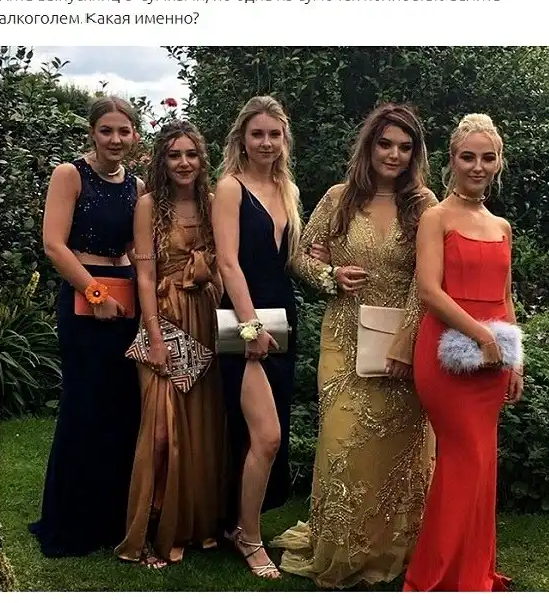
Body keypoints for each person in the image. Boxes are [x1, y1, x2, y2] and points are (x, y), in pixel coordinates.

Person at [270, 103, 437, 588]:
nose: (394, 154)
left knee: (401, 452)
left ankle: (394, 550)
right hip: (344, 337)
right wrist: (331, 275)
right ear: (369, 145)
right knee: (342, 443)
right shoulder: (339, 198)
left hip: (405, 339)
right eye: (385, 144)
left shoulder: (424, 204)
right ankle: (342, 548)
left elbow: (428, 278)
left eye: (405, 147)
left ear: (415, 154)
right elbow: (299, 257)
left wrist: (406, 340)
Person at [403, 113, 523, 592]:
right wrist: (482, 336)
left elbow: (505, 297)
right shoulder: (436, 217)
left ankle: (471, 571)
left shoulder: (502, 226)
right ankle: (434, 578)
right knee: (464, 461)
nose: (477, 166)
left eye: (487, 158)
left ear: (498, 163)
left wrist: (514, 358)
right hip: (447, 355)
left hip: (493, 361)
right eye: (468, 156)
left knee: (482, 464)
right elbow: (428, 291)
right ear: (451, 160)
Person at [30, 96, 142, 557]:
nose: (115, 139)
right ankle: (72, 524)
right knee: (84, 406)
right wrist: (95, 295)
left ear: (135, 135)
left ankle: (111, 520)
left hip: (128, 300)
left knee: (121, 410)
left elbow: (136, 249)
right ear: (92, 133)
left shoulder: (136, 184)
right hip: (85, 301)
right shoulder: (70, 174)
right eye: (106, 130)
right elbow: (54, 245)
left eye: (123, 131)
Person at [115, 120, 229, 568]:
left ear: (202, 159)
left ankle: (193, 526)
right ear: (162, 160)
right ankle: (148, 531)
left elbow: (225, 264)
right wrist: (155, 336)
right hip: (163, 316)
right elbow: (144, 276)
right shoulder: (148, 206)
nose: (184, 163)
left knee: (200, 427)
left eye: (191, 154)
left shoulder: (213, 202)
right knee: (161, 432)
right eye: (174, 155)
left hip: (204, 317)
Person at [212, 95, 303, 580]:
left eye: (274, 134)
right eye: (257, 134)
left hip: (283, 315)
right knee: (266, 436)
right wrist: (249, 327)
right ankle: (248, 538)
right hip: (242, 318)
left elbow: (289, 261)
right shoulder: (230, 188)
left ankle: (239, 525)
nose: (266, 142)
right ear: (242, 139)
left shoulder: (286, 188)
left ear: (284, 139)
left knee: (266, 435)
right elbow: (228, 263)